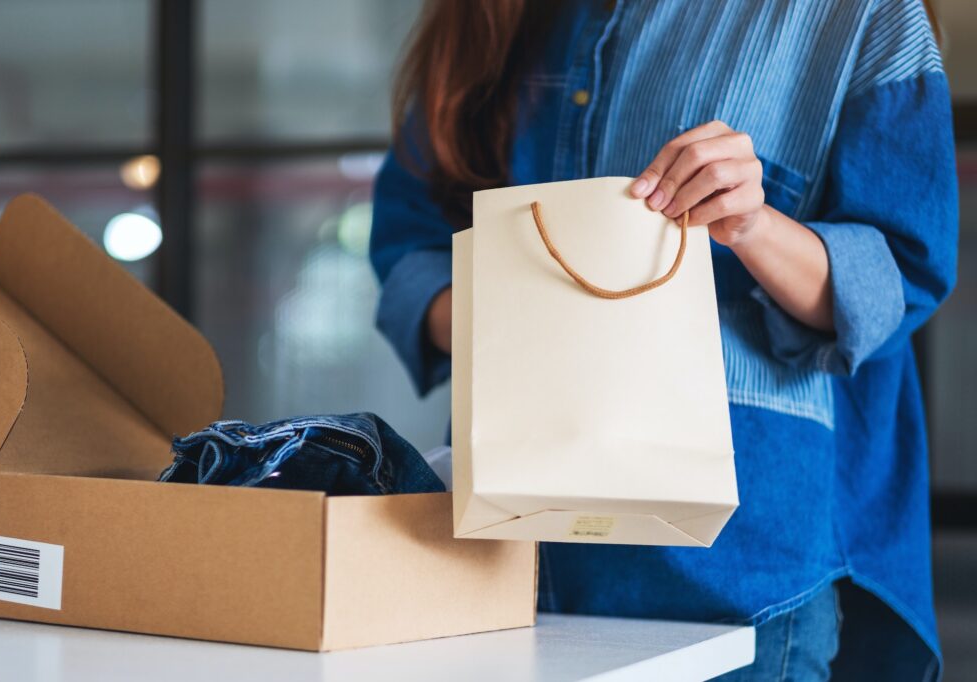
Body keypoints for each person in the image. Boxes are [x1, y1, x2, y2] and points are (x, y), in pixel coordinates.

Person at [369, 1, 957, 679]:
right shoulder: (493, 16)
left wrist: (755, 226)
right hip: (500, 567)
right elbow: (410, 245)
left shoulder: (860, 15)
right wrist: (521, 314)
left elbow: (901, 276)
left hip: (740, 584)